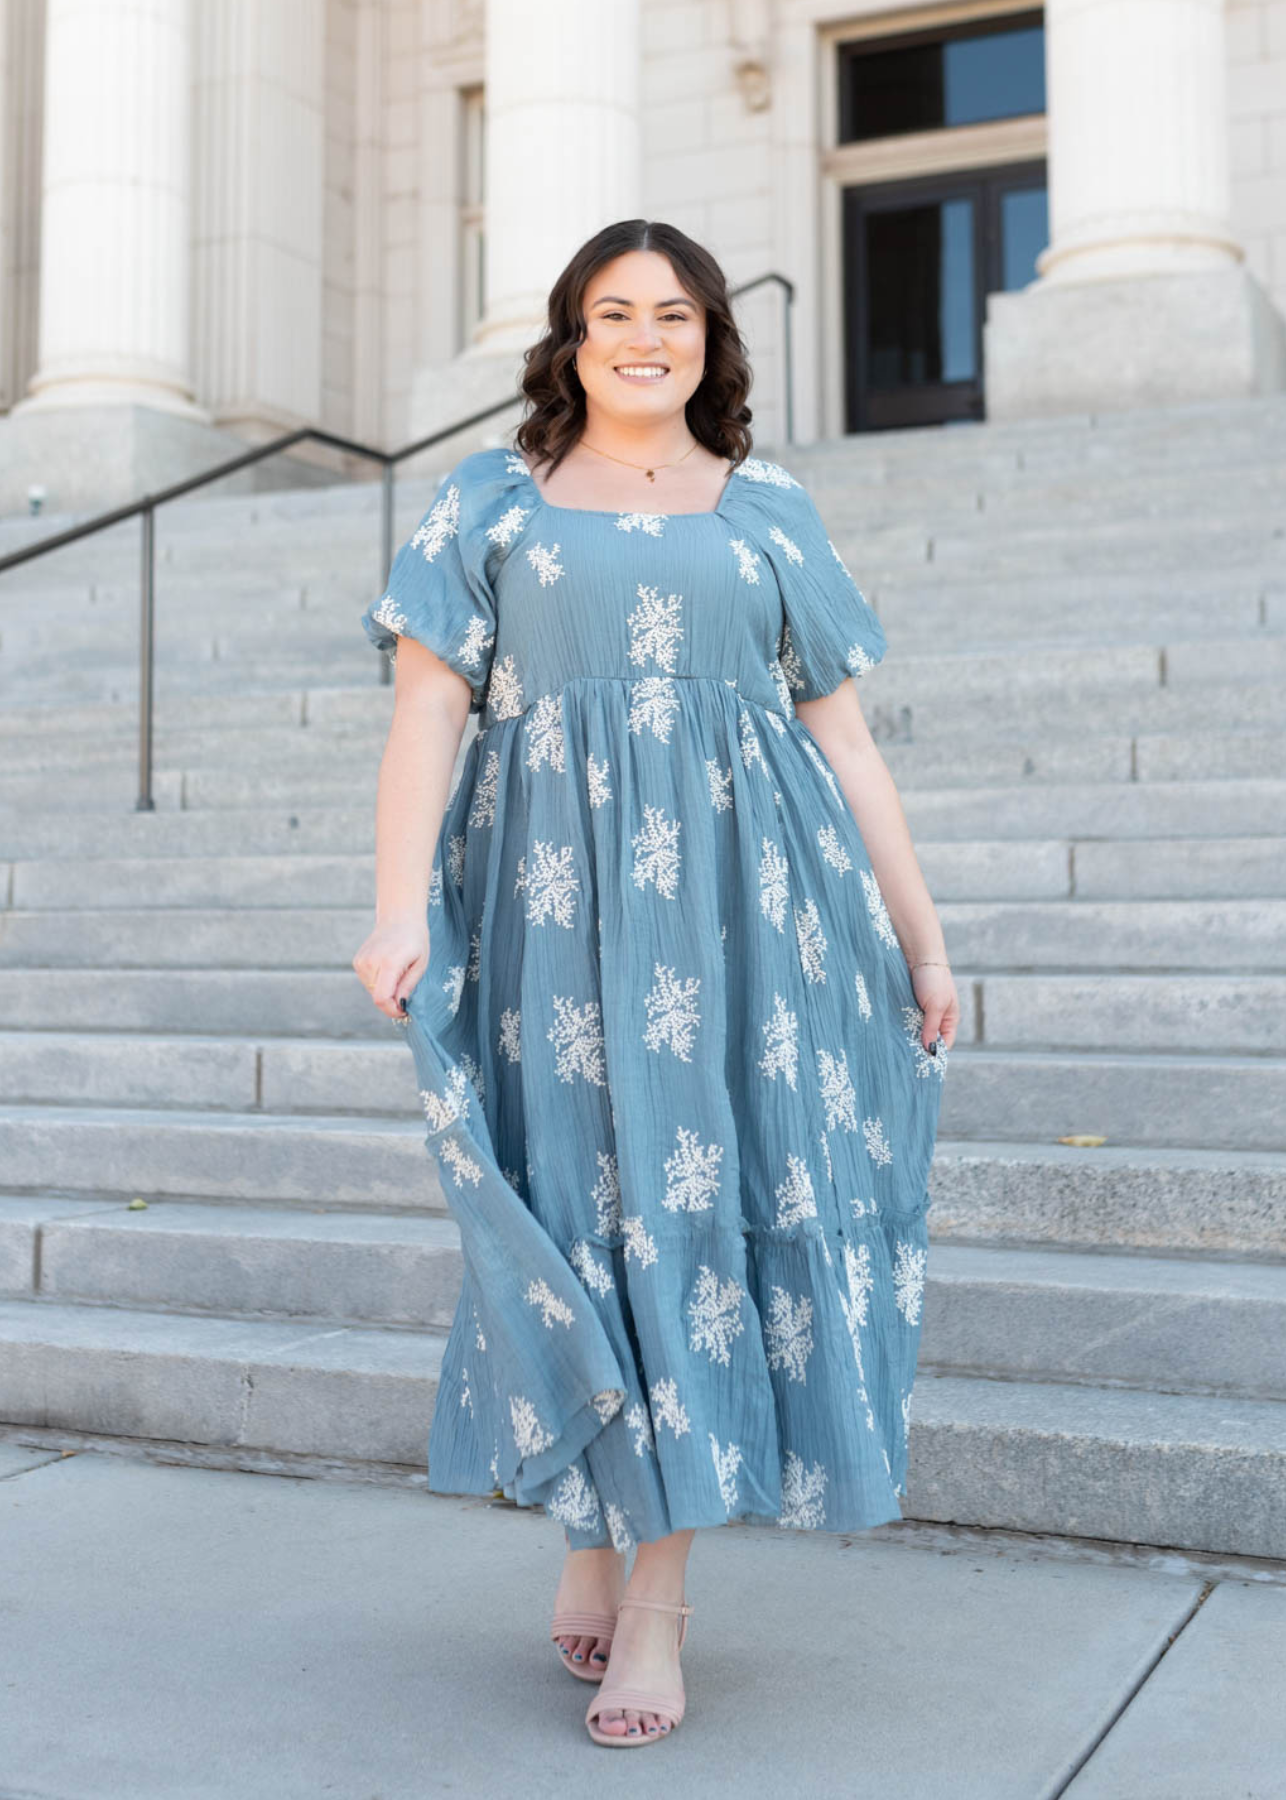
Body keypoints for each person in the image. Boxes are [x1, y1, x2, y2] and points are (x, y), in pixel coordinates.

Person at [352, 218, 959, 1748]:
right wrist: (392, 905)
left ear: (708, 341)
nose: (644, 337)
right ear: (566, 336)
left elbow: (846, 737)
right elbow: (427, 713)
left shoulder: (765, 507)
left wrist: (922, 935)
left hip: (748, 917)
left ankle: (656, 1603)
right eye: (613, 313)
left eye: (673, 315)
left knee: (688, 1203)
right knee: (568, 1202)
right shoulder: (486, 497)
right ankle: (584, 1519)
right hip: (544, 905)